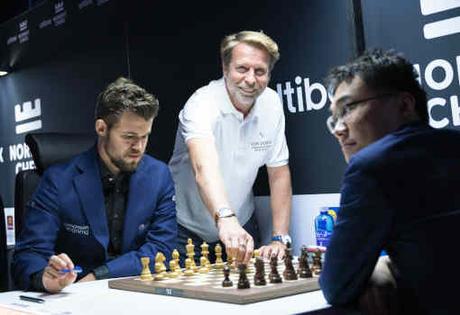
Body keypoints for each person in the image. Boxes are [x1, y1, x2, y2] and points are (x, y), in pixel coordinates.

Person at [319, 49, 460, 314]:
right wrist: (386, 261)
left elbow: (336, 284)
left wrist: (374, 267)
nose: (338, 129)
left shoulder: (372, 167)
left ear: (405, 105)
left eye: (347, 108)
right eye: (334, 117)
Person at [12, 77, 177, 293]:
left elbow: (162, 249)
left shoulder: (159, 175)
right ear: (101, 128)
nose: (139, 147)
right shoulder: (58, 180)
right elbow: (28, 255)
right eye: (128, 137)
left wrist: (100, 275)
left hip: (137, 292)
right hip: (74, 296)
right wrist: (45, 278)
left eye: (145, 136)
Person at [169, 31, 292, 264]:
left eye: (260, 71)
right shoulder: (201, 103)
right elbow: (203, 168)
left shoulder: (272, 104)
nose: (250, 79)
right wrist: (226, 218)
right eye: (242, 69)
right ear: (225, 69)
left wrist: (280, 237)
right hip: (186, 229)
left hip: (241, 224)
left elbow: (278, 172)